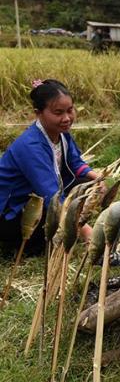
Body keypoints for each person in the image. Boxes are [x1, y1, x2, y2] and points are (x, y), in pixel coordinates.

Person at [0, 79, 99, 255]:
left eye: (70, 110)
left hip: (38, 197)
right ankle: (23, 245)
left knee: (88, 184)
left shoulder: (62, 134)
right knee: (51, 219)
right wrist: (87, 233)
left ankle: (70, 225)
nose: (67, 118)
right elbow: (51, 196)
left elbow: (75, 162)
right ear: (38, 113)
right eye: (58, 112)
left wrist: (97, 177)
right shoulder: (30, 146)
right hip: (14, 212)